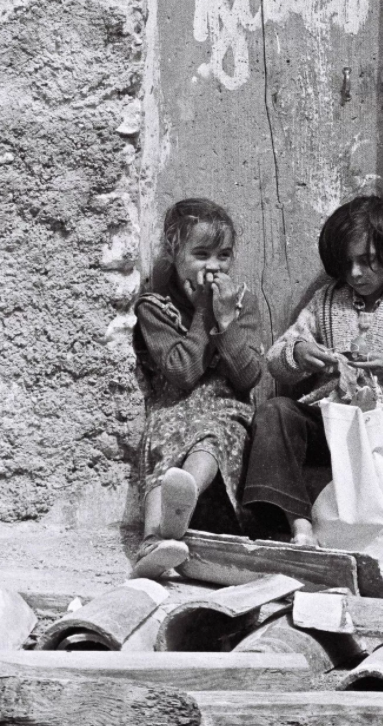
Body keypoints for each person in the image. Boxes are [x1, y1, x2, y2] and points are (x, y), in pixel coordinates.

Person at [242, 195, 383, 576]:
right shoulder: (326, 301)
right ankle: (300, 527)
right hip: (332, 426)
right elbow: (277, 358)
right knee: (275, 412)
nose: (356, 273)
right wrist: (301, 354)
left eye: (368, 260)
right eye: (347, 263)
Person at [131, 197, 262, 578]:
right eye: (201, 254)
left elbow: (249, 376)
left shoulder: (241, 304)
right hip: (174, 404)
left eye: (223, 256)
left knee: (212, 433)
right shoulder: (154, 308)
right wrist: (204, 313)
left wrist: (224, 321)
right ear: (174, 254)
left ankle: (182, 499)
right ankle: (154, 540)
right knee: (163, 436)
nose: (213, 267)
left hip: (224, 405)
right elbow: (183, 373)